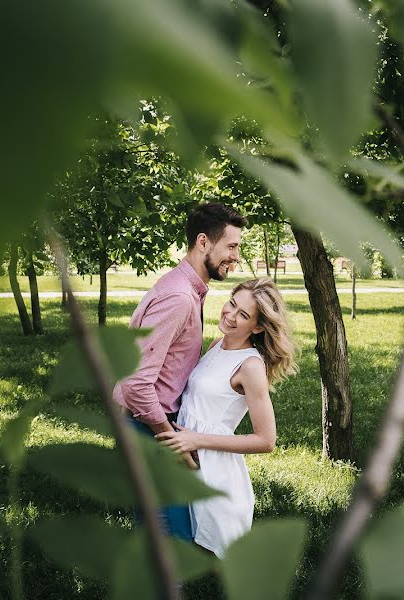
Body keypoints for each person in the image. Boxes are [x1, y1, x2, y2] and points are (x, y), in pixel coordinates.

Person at [113, 202, 247, 540]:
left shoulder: (187, 289)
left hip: (144, 425)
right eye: (231, 246)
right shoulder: (179, 298)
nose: (237, 256)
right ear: (204, 242)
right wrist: (174, 440)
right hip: (148, 427)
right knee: (172, 538)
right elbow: (136, 384)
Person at [155, 278, 296, 557]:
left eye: (243, 315)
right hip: (185, 457)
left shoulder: (251, 366)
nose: (230, 315)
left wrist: (195, 439)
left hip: (214, 470)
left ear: (257, 327)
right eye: (232, 304)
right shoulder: (216, 344)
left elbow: (266, 440)